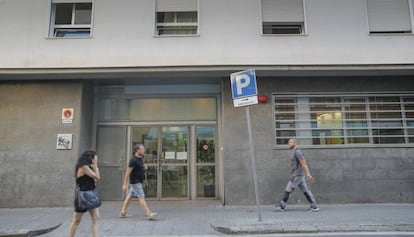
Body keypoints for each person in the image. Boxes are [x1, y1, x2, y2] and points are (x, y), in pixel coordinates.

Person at [274, 138, 319, 212]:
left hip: (297, 175)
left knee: (289, 188)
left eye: (290, 142)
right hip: (298, 174)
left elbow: (303, 163)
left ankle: (282, 205)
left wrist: (308, 174)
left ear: (295, 143)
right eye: (288, 142)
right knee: (306, 190)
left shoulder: (298, 152)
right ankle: (314, 206)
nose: (288, 143)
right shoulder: (294, 151)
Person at [120, 144, 158, 220]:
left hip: (139, 180)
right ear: (137, 150)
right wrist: (124, 184)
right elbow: (127, 173)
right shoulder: (133, 160)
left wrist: (144, 167)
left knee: (130, 196)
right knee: (141, 196)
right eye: (142, 149)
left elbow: (142, 165)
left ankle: (123, 212)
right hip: (135, 181)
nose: (143, 150)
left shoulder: (141, 158)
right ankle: (148, 213)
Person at [69, 150, 101, 237]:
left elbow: (95, 180)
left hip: (91, 195)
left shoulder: (89, 167)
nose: (96, 160)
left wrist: (94, 168)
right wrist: (96, 167)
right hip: (82, 197)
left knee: (96, 217)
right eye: (95, 158)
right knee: (76, 220)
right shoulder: (84, 167)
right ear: (91, 158)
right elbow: (97, 177)